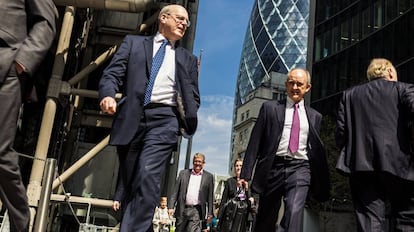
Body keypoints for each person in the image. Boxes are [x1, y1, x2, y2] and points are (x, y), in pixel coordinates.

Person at [99, 4, 200, 231]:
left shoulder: (187, 59)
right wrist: (108, 96)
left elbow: (193, 95)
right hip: (132, 116)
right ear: (163, 18)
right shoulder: (133, 43)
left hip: (166, 120)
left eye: (187, 21)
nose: (185, 23)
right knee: (131, 183)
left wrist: (186, 115)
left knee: (147, 175)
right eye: (179, 18)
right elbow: (112, 74)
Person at [238, 68, 330, 232]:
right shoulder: (270, 108)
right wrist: (245, 173)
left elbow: (316, 149)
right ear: (286, 85)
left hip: (301, 168)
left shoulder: (315, 116)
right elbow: (255, 142)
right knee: (266, 219)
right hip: (273, 168)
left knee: (294, 212)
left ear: (307, 87)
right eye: (292, 83)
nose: (295, 87)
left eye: (299, 84)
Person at [335, 58, 414, 231]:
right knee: (407, 217)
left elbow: (341, 133)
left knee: (369, 222)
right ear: (391, 73)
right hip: (400, 165)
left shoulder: (349, 95)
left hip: (361, 166)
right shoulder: (403, 89)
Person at [0, 0, 57, 231]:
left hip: (5, 66)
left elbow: (47, 20)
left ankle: (20, 223)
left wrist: (21, 63)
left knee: (0, 151)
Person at [168, 153, 214, 232]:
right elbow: (175, 192)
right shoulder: (183, 173)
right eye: (195, 161)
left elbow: (210, 197)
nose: (197, 163)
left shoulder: (208, 177)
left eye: (199, 161)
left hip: (196, 210)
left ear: (203, 163)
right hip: (182, 208)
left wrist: (210, 213)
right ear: (193, 162)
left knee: (192, 230)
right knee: (179, 229)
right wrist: (171, 206)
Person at [219, 158, 257, 231]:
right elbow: (224, 200)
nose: (238, 168)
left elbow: (252, 200)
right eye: (237, 166)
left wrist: (246, 189)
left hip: (245, 217)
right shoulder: (230, 181)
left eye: (240, 165)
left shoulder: (250, 182)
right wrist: (219, 217)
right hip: (231, 216)